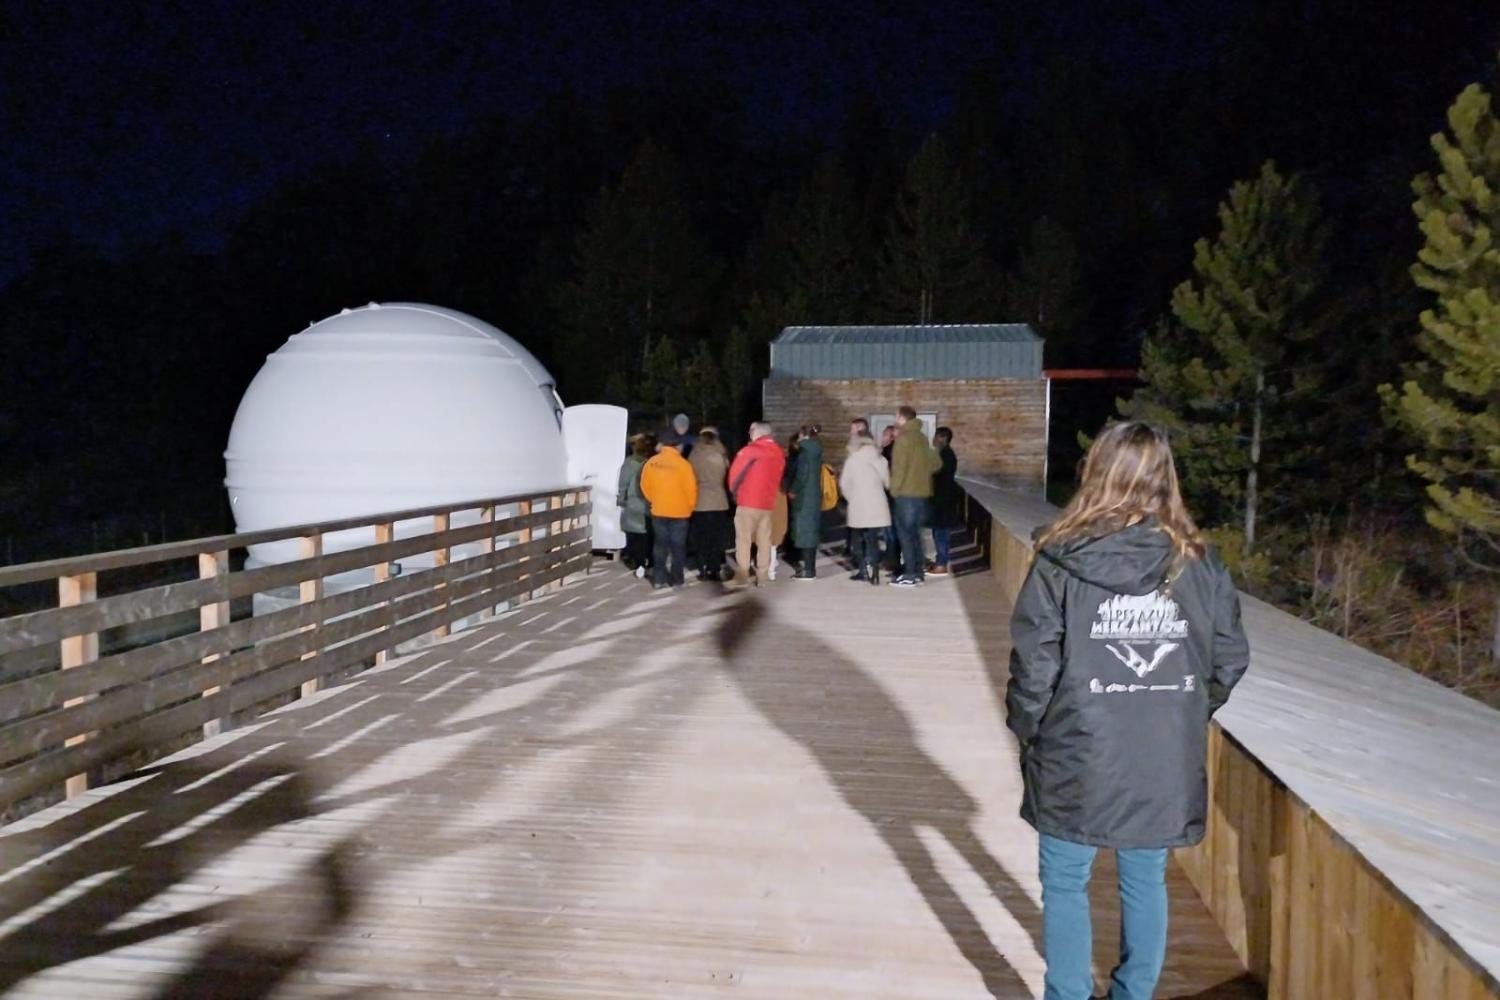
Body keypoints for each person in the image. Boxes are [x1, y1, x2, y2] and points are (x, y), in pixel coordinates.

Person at [1007, 421, 1250, 1000]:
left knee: (1065, 881)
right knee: (1145, 880)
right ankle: (1131, 994)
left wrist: (1032, 731)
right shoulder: (1202, 563)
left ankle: (1066, 994)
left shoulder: (1058, 560)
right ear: (1165, 478)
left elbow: (1033, 666)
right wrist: (1183, 712)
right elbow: (1229, 658)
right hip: (1162, 750)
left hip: (1076, 746)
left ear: (1097, 473)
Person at [726, 421, 787, 588]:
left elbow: (735, 476)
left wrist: (734, 493)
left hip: (748, 501)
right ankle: (762, 575)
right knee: (764, 540)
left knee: (743, 539)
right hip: (767, 503)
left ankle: (742, 574)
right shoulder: (778, 453)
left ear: (755, 433)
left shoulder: (750, 451)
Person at [888, 406, 941, 587]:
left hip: (906, 494)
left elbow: (899, 468)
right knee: (916, 534)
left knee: (905, 534)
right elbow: (936, 463)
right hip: (922, 494)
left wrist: (894, 490)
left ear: (903, 418)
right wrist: (921, 474)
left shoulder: (903, 439)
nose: (895, 419)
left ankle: (909, 574)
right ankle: (918, 571)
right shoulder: (922, 438)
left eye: (896, 416)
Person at [639, 427, 697, 589]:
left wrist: (654, 500)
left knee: (660, 546)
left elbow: (644, 486)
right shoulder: (684, 465)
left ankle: (659, 579)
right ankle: (677, 580)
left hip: (659, 511)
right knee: (678, 547)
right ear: (677, 445)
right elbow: (691, 490)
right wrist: (689, 507)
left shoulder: (652, 463)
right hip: (680, 513)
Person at [838, 432, 890, 584]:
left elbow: (844, 484)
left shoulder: (852, 460)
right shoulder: (881, 459)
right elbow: (887, 482)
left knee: (857, 539)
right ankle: (875, 571)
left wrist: (851, 498)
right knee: (873, 539)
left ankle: (862, 571)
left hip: (858, 503)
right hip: (878, 503)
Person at [688, 426, 731, 581]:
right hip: (719, 500)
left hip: (699, 501)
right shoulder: (721, 454)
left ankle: (702, 567)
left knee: (701, 537)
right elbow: (727, 474)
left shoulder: (694, 455)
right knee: (716, 537)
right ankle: (715, 567)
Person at [787, 425, 824, 580]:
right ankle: (810, 568)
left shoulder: (805, 453)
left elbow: (802, 475)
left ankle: (808, 571)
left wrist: (793, 490)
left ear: (802, 435)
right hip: (814, 495)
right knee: (811, 531)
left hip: (804, 498)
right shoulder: (816, 451)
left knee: (805, 532)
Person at [617, 433, 654, 577]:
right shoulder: (651, 463)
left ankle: (637, 563)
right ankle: (649, 561)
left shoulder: (628, 464)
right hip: (649, 504)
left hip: (633, 504)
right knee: (648, 535)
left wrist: (621, 500)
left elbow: (623, 485)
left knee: (634, 536)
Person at [928, 426, 960, 577]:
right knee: (939, 532)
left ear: (943, 438)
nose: (934, 439)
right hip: (942, 500)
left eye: (936, 436)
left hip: (943, 500)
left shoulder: (945, 455)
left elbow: (937, 476)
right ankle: (940, 561)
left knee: (941, 533)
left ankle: (941, 564)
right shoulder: (944, 454)